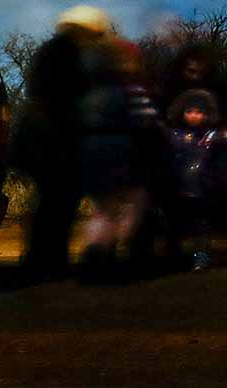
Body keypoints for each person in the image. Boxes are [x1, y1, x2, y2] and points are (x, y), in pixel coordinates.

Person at [16, 5, 110, 280]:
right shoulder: (69, 55)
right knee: (56, 204)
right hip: (54, 142)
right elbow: (69, 97)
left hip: (44, 140)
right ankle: (47, 262)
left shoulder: (54, 51)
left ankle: (43, 261)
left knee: (51, 203)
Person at [76, 35, 164, 282]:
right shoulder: (133, 90)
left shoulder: (91, 90)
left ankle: (93, 259)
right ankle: (121, 252)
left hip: (93, 153)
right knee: (134, 203)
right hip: (122, 153)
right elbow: (149, 125)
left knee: (102, 211)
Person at [164, 87, 227, 271]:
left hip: (203, 189)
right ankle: (175, 256)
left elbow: (224, 163)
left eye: (199, 112)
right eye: (189, 112)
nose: (194, 116)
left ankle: (201, 257)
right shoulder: (174, 135)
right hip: (178, 188)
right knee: (175, 225)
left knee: (201, 226)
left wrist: (219, 183)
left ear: (207, 114)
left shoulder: (215, 137)